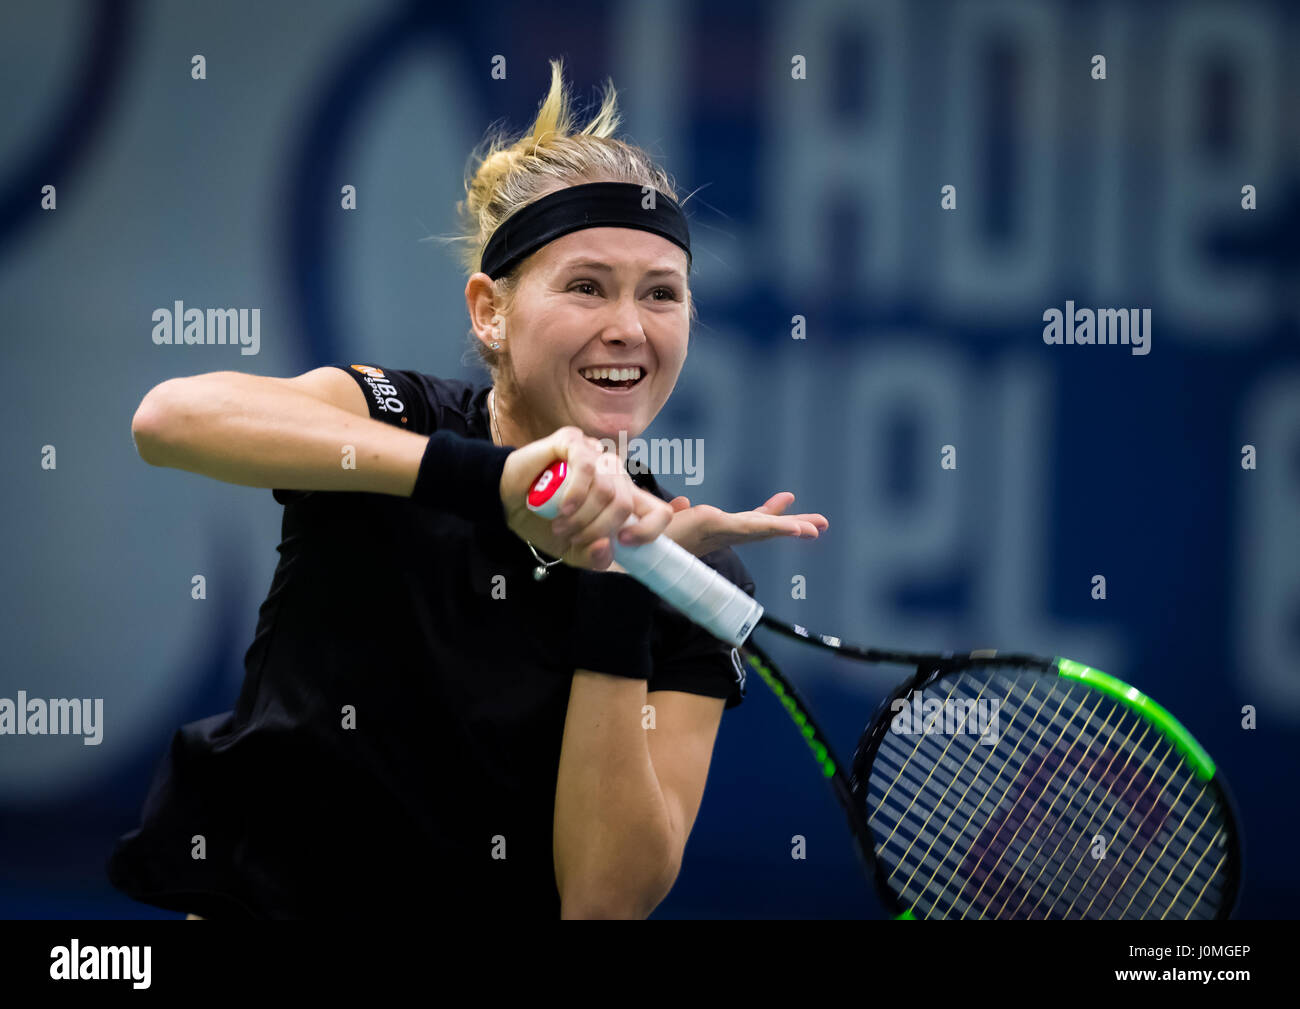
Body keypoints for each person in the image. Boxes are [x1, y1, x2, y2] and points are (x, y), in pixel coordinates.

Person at [106, 58, 827, 920]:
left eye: (661, 295)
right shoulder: (397, 417)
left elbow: (603, 901)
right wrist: (483, 481)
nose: (628, 327)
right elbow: (169, 418)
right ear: (490, 310)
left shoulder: (694, 579)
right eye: (587, 286)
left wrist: (622, 575)